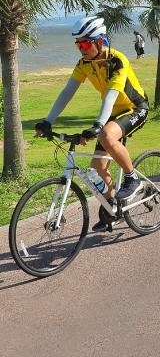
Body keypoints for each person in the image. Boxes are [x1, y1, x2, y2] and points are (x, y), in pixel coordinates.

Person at [35, 14, 150, 230]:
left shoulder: (117, 61)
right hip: (112, 115)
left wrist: (98, 125)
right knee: (97, 170)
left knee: (106, 135)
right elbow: (67, 92)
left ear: (99, 41)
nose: (81, 49)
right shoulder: (84, 64)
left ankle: (132, 178)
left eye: (85, 44)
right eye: (78, 44)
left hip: (135, 108)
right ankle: (114, 207)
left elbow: (111, 96)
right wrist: (48, 120)